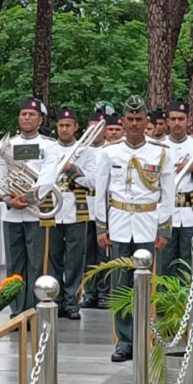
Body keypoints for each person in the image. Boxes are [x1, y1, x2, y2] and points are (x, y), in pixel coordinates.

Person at [94, 95, 174, 363]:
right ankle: (124, 341)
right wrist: (101, 226)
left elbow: (168, 193)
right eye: (130, 119)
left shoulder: (160, 153)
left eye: (139, 119)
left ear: (146, 121)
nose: (135, 124)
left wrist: (163, 229)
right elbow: (100, 192)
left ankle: (145, 336)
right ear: (123, 121)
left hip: (147, 223)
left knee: (147, 284)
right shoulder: (109, 153)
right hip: (118, 223)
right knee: (120, 285)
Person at [0, 97, 60, 317]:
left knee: (37, 263)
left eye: (32, 115)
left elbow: (50, 175)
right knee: (14, 265)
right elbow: (0, 173)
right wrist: (7, 198)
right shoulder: (9, 144)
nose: (27, 117)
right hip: (12, 213)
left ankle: (34, 308)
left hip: (35, 213)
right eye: (23, 114)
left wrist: (30, 197)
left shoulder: (49, 145)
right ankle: (17, 311)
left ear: (40, 119)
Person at [160, 98, 193, 277]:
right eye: (173, 119)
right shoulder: (158, 146)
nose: (177, 123)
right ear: (168, 121)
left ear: (188, 120)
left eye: (181, 119)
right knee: (165, 265)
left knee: (188, 265)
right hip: (165, 212)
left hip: (192, 213)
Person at [44, 108, 90, 319]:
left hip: (76, 210)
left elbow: (92, 183)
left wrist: (71, 169)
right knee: (53, 257)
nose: (64, 129)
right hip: (52, 207)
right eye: (61, 125)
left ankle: (72, 301)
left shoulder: (86, 151)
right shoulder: (48, 149)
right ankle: (56, 298)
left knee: (74, 259)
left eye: (68, 125)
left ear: (76, 127)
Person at [80, 112, 110, 309]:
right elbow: (84, 180)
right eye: (91, 128)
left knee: (104, 252)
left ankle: (105, 293)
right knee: (86, 253)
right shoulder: (80, 150)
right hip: (84, 204)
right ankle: (89, 292)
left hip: (105, 205)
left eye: (99, 128)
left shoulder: (111, 150)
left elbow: (93, 179)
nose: (95, 132)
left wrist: (77, 174)